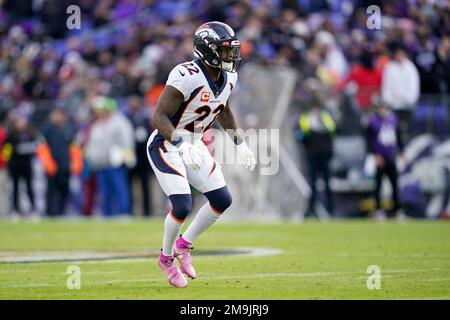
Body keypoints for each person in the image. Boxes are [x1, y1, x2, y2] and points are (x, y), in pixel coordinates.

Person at [148, 21, 256, 288]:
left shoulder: (229, 77)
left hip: (195, 143)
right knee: (182, 205)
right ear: (207, 50)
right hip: (167, 142)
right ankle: (166, 258)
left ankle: (184, 245)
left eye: (232, 50)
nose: (231, 56)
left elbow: (223, 108)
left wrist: (239, 142)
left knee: (221, 199)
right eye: (225, 50)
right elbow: (158, 116)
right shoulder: (186, 75)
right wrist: (180, 142)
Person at [85, 96, 135, 217]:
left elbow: (127, 141)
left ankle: (124, 212)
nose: (99, 113)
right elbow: (91, 144)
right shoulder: (96, 125)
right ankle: (107, 214)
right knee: (105, 192)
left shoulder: (120, 122)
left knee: (119, 188)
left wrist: (126, 157)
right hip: (99, 164)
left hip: (115, 163)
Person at [296, 78, 336, 216]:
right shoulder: (312, 117)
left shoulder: (315, 116)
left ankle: (325, 210)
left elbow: (303, 135)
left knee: (321, 183)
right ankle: (316, 210)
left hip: (318, 153)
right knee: (316, 184)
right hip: (316, 154)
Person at [37, 107, 83, 217]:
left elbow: (74, 148)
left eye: (60, 115)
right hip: (52, 166)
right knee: (51, 191)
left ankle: (61, 213)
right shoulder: (46, 129)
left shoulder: (69, 129)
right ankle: (49, 213)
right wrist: (48, 163)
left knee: (64, 191)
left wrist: (76, 162)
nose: (57, 117)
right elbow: (42, 147)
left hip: (65, 166)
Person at [364, 96, 403, 219]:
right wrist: (375, 155)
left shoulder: (393, 119)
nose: (382, 109)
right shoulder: (372, 121)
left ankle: (397, 211)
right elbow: (368, 141)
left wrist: (402, 152)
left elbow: (398, 137)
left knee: (395, 184)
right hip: (379, 158)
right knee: (378, 185)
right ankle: (378, 210)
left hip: (391, 156)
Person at [381, 43, 420, 143]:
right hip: (393, 107)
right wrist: (390, 102)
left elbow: (414, 89)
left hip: (407, 107)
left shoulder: (411, 68)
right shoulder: (389, 68)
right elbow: (386, 88)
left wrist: (406, 100)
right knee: (394, 132)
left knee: (408, 132)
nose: (399, 56)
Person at [3, 115, 38, 219]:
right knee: (15, 188)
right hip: (15, 165)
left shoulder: (30, 133)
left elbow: (36, 146)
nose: (22, 123)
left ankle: (33, 210)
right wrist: (10, 155)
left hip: (26, 164)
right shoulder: (11, 135)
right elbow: (5, 150)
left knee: (29, 187)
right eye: (19, 121)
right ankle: (15, 210)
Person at [125, 96, 154, 217]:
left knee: (145, 186)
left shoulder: (144, 118)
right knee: (129, 186)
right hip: (131, 155)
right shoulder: (126, 118)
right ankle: (131, 211)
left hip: (144, 157)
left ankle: (147, 212)